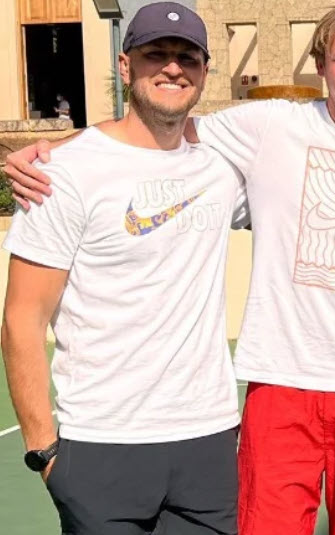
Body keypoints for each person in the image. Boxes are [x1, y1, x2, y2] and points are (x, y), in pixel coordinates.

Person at [4, 2, 335, 534]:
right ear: (320, 66)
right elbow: (157, 121)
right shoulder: (266, 126)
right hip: (278, 385)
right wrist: (54, 149)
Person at [1, 3, 249, 534]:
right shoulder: (63, 174)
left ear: (205, 72)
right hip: (102, 445)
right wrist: (44, 451)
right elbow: (22, 319)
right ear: (124, 64)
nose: (173, 67)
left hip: (208, 443)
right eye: (155, 54)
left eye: (188, 57)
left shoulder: (223, 165)